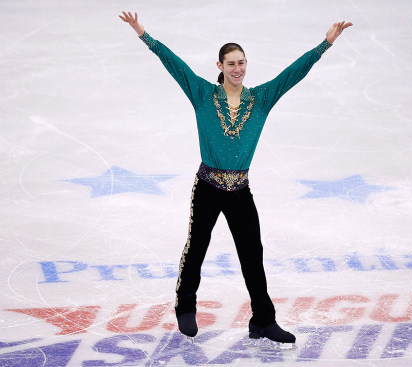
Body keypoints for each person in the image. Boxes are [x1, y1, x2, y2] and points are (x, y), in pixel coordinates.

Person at [119, 11, 352, 346]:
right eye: (231, 63)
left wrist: (324, 45)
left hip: (240, 189)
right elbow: (174, 64)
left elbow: (292, 74)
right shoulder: (202, 94)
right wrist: (144, 34)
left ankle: (262, 320)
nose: (238, 69)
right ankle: (186, 306)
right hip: (208, 186)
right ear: (220, 67)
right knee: (196, 246)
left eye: (241, 62)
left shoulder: (260, 99)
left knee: (251, 254)